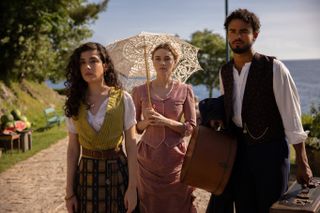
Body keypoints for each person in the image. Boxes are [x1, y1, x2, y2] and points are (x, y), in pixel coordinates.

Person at [207, 8, 313, 213]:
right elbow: (229, 107)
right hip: (239, 152)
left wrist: (302, 161)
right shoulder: (225, 71)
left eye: (243, 31)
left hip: (271, 152)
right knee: (245, 207)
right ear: (227, 34)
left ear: (255, 35)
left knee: (270, 208)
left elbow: (292, 117)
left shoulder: (274, 68)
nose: (237, 36)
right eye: (232, 31)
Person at [64, 42, 138, 213]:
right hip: (86, 176)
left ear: (105, 66)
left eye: (93, 61)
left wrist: (133, 188)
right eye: (82, 62)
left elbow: (132, 145)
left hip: (117, 172)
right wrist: (69, 192)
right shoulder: (74, 102)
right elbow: (73, 150)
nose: (87, 66)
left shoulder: (123, 98)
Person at [131, 43, 197, 213]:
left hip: (176, 160)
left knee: (178, 204)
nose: (162, 63)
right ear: (152, 62)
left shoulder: (185, 90)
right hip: (148, 160)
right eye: (158, 58)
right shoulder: (139, 91)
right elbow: (134, 127)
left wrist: (166, 121)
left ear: (175, 62)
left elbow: (191, 128)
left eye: (167, 58)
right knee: (149, 204)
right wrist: (146, 122)